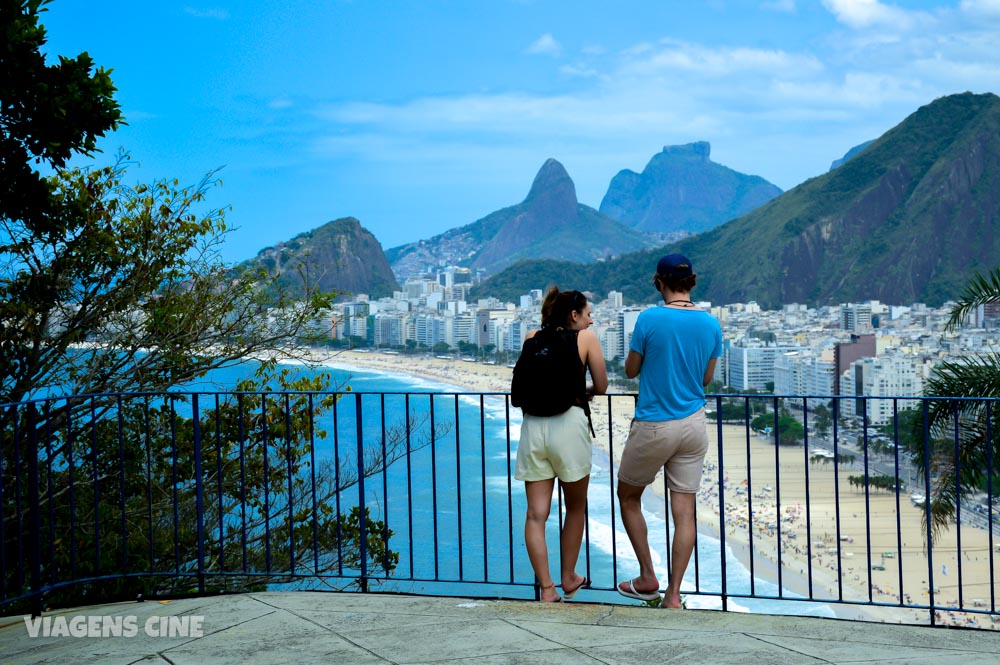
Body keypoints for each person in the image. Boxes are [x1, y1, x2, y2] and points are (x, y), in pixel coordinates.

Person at [615, 254, 723, 608]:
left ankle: (648, 576)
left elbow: (631, 370)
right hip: (694, 424)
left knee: (629, 496)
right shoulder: (711, 324)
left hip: (655, 423)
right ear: (692, 282)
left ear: (658, 281)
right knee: (684, 512)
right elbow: (706, 378)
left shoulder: (649, 319)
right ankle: (674, 596)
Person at [514, 287, 608, 602]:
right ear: (574, 315)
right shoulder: (585, 340)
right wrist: (586, 390)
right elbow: (603, 384)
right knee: (576, 506)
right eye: (588, 314)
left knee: (535, 514)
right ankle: (569, 576)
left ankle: (547, 589)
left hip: (533, 428)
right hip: (568, 425)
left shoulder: (531, 336)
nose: (591, 321)